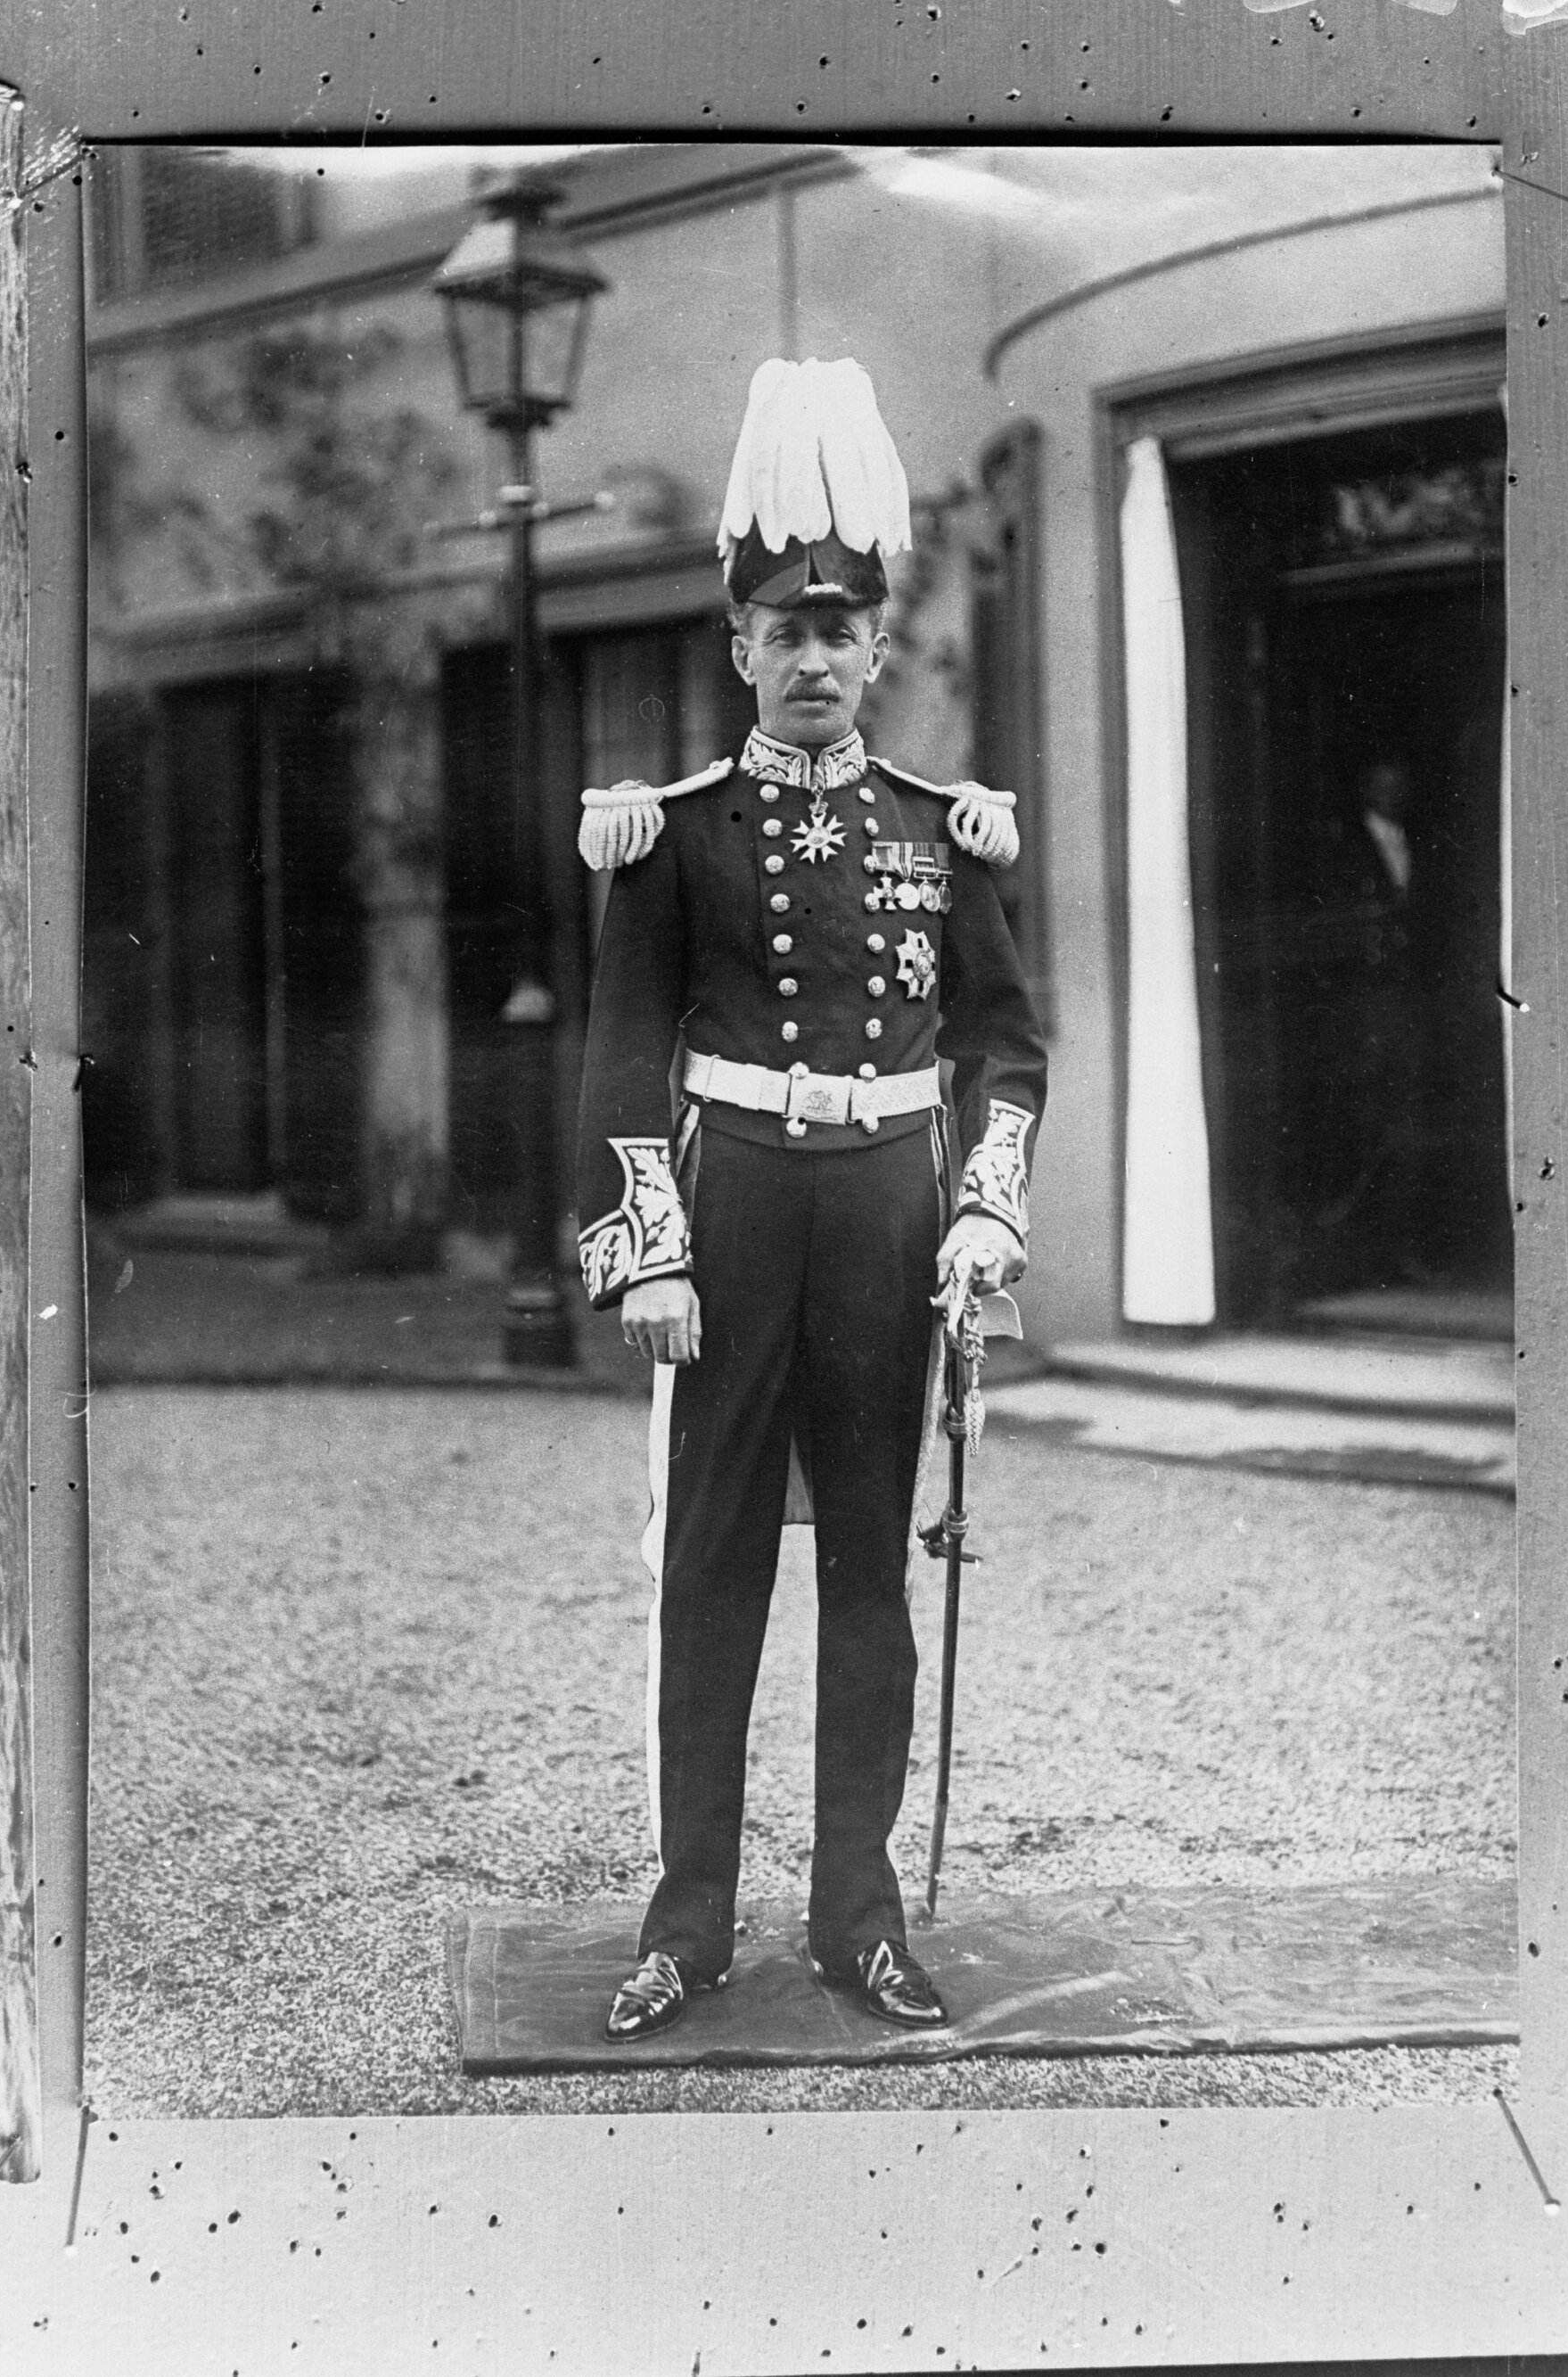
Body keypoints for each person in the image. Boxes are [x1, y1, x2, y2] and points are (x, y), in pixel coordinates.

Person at [572, 358, 1048, 2042]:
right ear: (740, 647)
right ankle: (689, 1916)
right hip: (736, 1207)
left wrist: (987, 1209)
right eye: (787, 630)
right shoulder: (674, 838)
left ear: (879, 644)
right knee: (709, 1568)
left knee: (869, 1566)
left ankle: (859, 1912)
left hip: (887, 1224)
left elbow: (1005, 1042)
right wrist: (650, 1246)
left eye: (846, 630)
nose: (820, 660)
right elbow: (626, 1049)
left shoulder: (946, 835)